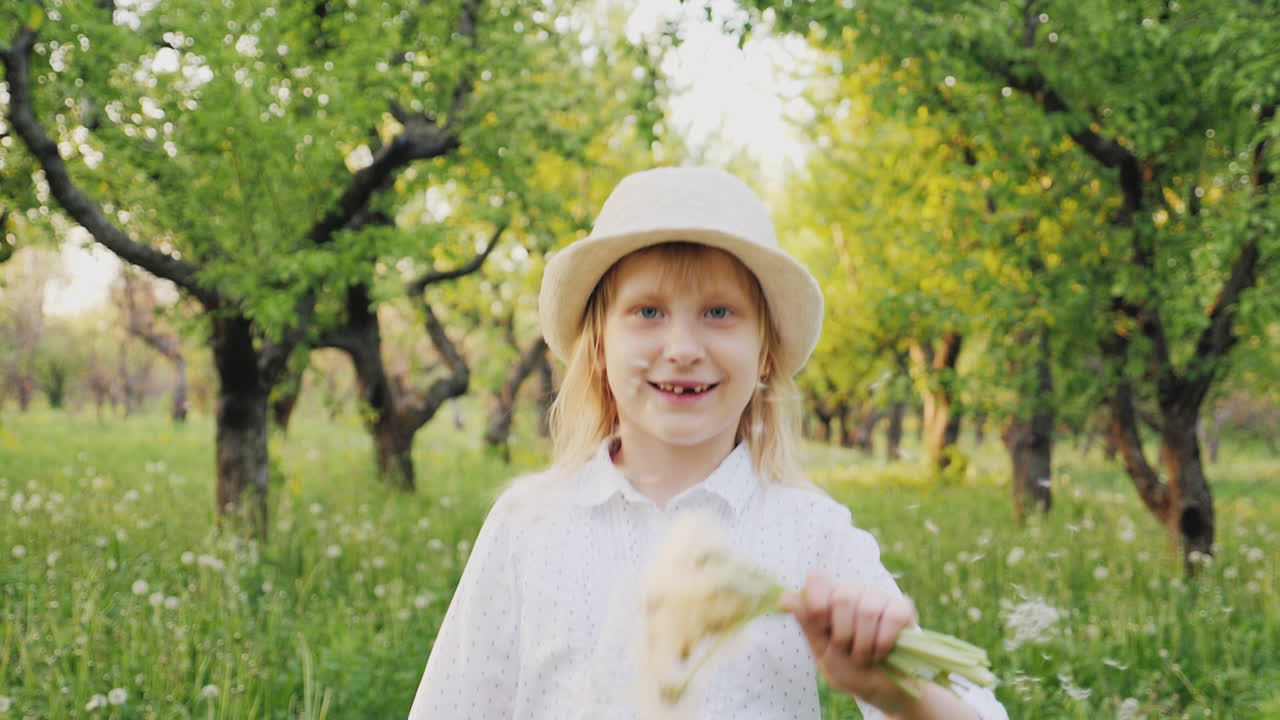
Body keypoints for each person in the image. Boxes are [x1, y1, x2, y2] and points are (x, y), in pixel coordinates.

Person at [408, 167, 1007, 719]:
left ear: (766, 354)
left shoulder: (810, 534)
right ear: (598, 347)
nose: (683, 348)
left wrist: (890, 690)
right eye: (647, 311)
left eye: (719, 312)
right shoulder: (529, 523)